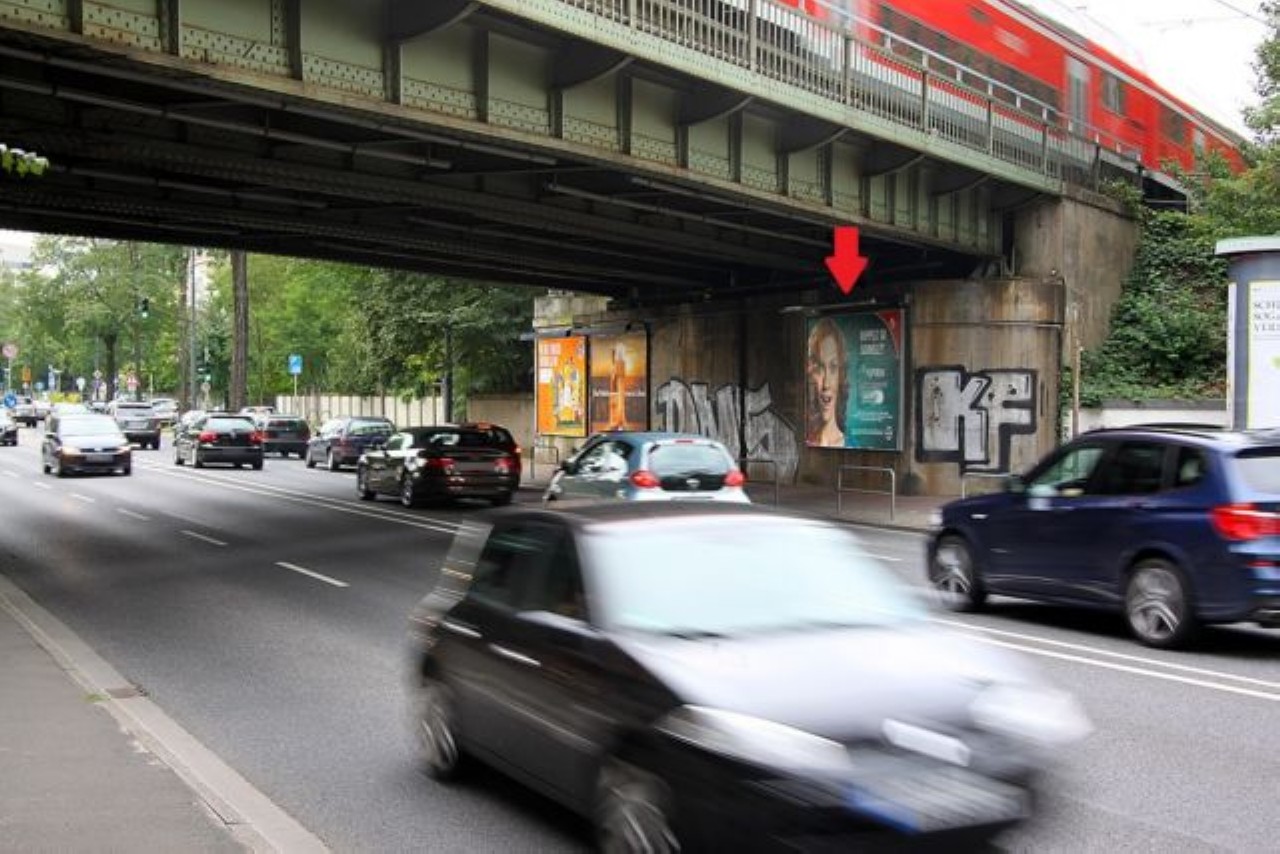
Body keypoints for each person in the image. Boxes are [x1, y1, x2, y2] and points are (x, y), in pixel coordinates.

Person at [805, 317, 849, 447]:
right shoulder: (802, 441)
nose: (826, 384)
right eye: (819, 369)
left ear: (841, 375)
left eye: (833, 367)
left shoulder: (852, 445)